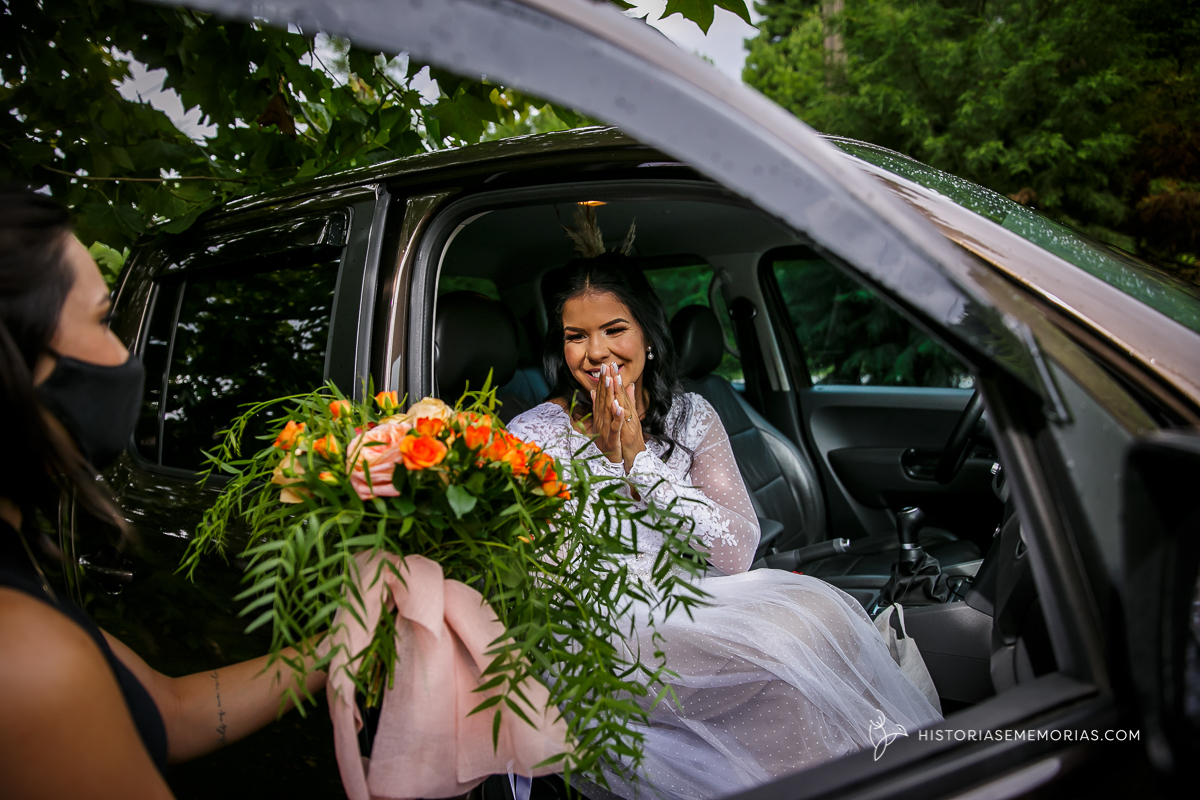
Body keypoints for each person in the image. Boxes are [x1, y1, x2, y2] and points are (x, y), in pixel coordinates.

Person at [506, 217, 943, 799]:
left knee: (822, 620)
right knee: (785, 640)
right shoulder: (532, 434)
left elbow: (736, 551)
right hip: (598, 627)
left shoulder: (692, 416)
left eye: (614, 330)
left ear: (648, 336)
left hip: (698, 600)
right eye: (576, 336)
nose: (596, 352)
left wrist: (641, 463)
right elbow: (533, 570)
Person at [0, 188, 326, 800]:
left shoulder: (19, 572)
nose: (125, 354)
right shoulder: (25, 658)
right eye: (101, 320)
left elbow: (169, 712)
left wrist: (337, 649)